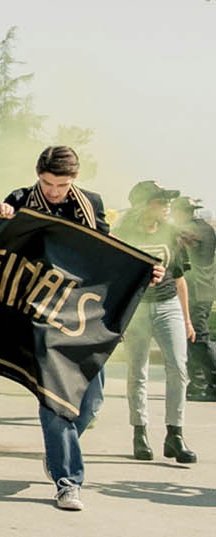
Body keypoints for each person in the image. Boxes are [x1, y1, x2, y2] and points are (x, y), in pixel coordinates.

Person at [0, 146, 117, 511]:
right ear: (37, 175)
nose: (53, 192)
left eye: (61, 185)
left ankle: (57, 450)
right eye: (47, 183)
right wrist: (1, 219)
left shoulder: (91, 204)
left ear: (74, 180)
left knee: (91, 401)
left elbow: (109, 253)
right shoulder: (18, 199)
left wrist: (146, 272)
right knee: (58, 402)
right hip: (39, 314)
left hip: (83, 314)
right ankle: (68, 481)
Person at [114, 180, 197, 465]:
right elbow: (115, 277)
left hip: (168, 304)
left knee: (178, 367)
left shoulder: (170, 233)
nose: (167, 206)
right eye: (161, 201)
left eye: (168, 202)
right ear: (144, 204)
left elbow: (179, 277)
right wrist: (118, 318)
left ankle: (175, 435)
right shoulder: (123, 232)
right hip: (136, 308)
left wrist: (186, 320)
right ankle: (140, 433)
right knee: (138, 371)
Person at [173, 196, 216, 402]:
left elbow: (176, 234)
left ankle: (213, 381)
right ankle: (198, 383)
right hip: (198, 290)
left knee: (198, 337)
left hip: (198, 291)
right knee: (189, 338)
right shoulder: (202, 227)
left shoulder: (197, 229)